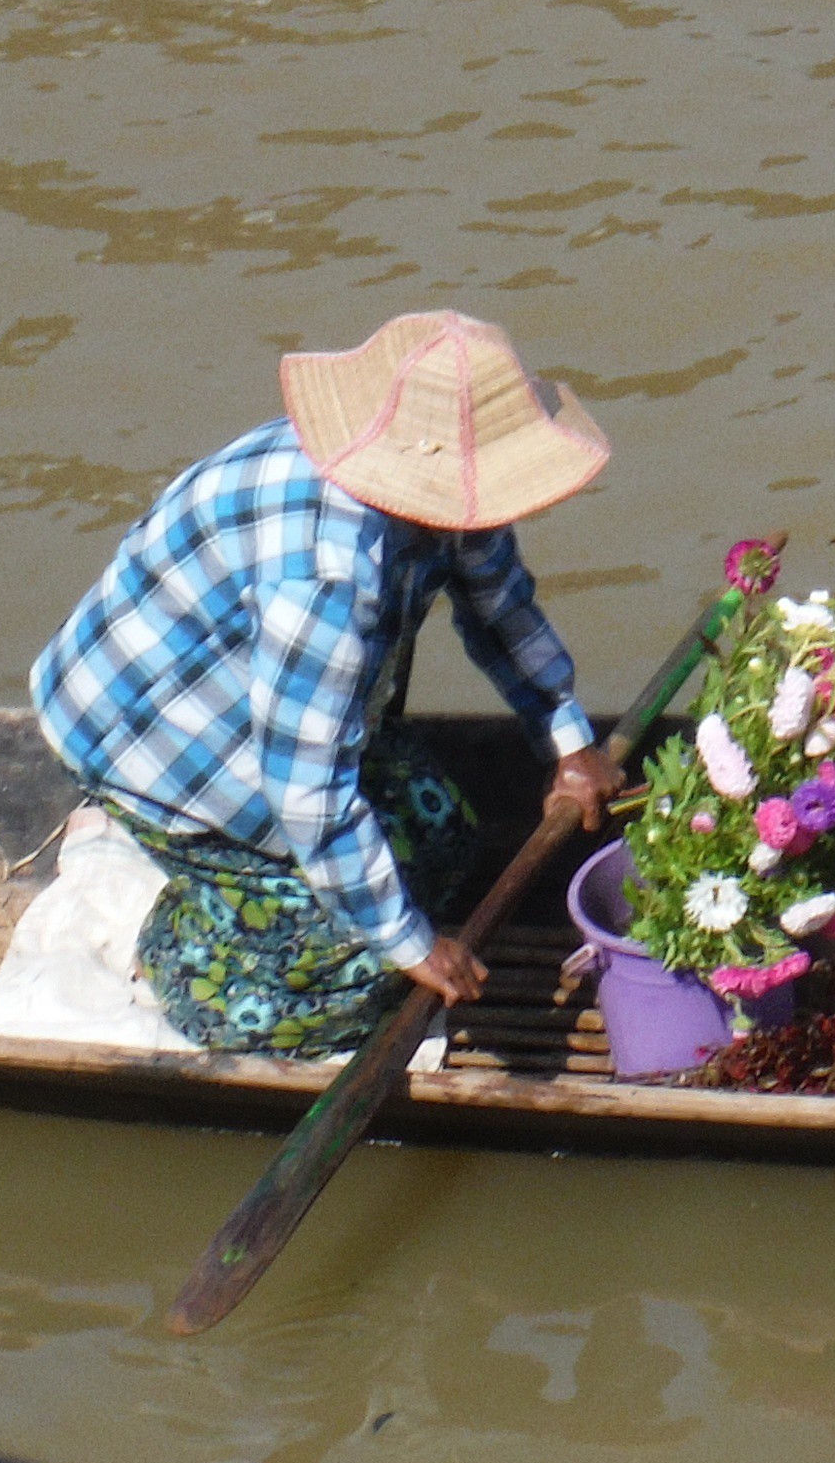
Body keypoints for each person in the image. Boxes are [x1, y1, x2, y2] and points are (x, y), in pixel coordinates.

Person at [35, 311, 624, 1056]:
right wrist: (408, 943)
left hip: (260, 702)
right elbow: (308, 792)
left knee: (445, 836)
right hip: (153, 739)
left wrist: (567, 740)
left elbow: (500, 606)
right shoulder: (327, 575)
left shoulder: (440, 497)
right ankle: (174, 949)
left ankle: (268, 902)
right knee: (355, 974)